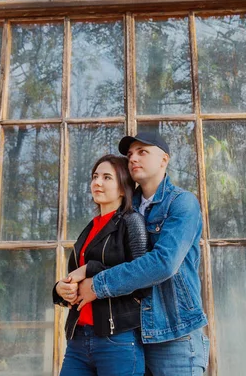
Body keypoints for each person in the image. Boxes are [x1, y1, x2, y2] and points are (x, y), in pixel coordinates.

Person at [72, 132, 209, 376]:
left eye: (143, 152)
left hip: (173, 332)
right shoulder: (123, 208)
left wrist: (97, 285)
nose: (133, 158)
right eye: (130, 154)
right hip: (130, 333)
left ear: (164, 160)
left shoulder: (182, 203)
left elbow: (163, 263)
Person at [53, 154, 148, 376]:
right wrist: (60, 289)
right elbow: (76, 277)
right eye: (95, 176)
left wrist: (91, 269)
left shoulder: (132, 222)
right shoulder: (90, 227)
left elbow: (143, 279)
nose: (97, 182)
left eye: (107, 177)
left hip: (117, 340)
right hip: (78, 339)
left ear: (124, 188)